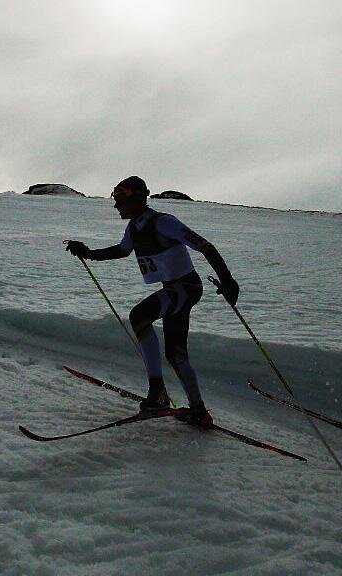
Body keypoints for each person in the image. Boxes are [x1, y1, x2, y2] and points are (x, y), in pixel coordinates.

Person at [65, 176, 239, 428]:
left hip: (185, 288)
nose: (116, 207)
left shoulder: (163, 222)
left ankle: (158, 394)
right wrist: (89, 254)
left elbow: (205, 246)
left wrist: (228, 280)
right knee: (175, 353)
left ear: (135, 198)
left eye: (120, 201)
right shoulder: (135, 228)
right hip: (177, 290)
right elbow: (122, 251)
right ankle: (198, 410)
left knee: (139, 316)